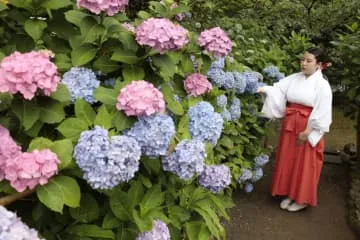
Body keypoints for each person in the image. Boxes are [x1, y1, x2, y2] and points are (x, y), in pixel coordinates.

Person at [257, 47, 332, 212]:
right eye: (302, 60)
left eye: (309, 61)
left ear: (319, 65)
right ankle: (289, 193)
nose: (303, 64)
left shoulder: (322, 85)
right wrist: (266, 90)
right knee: (288, 159)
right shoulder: (295, 78)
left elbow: (322, 111)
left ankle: (302, 198)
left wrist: (308, 131)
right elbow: (279, 90)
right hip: (291, 125)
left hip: (307, 126)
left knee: (305, 164)